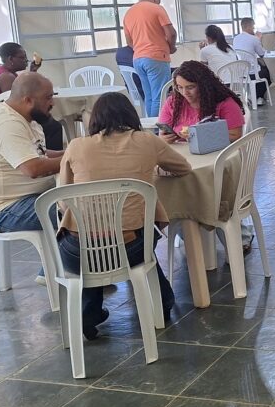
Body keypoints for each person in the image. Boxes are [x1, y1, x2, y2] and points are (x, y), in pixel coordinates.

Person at [57, 92, 189, 339]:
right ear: (130, 115)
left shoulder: (76, 146)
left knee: (91, 242)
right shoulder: (147, 141)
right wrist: (152, 170)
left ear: (94, 118)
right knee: (142, 234)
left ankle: (88, 312)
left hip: (79, 252)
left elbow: (64, 198)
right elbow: (184, 167)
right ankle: (161, 302)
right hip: (131, 248)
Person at [0, 73, 62, 236]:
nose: (52, 103)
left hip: (26, 198)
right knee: (82, 211)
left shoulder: (25, 117)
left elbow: (37, 153)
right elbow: (33, 168)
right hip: (5, 209)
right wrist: (75, 157)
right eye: (48, 98)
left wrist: (73, 151)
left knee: (86, 199)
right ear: (28, 100)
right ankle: (68, 253)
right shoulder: (6, 124)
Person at [0, 42, 63, 150]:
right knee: (53, 126)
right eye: (22, 57)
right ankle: (51, 158)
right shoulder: (6, 77)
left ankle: (46, 154)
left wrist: (33, 71)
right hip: (2, 121)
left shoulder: (2, 71)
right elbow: (19, 104)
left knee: (48, 121)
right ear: (11, 59)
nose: (26, 60)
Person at [158, 61, 246, 143]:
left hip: (214, 151)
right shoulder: (173, 102)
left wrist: (201, 135)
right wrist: (164, 138)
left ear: (203, 86)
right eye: (180, 87)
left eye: (190, 87)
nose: (185, 93)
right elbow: (163, 132)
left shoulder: (225, 103)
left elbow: (235, 135)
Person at [123, 0, 176, 117]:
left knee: (149, 97)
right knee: (160, 96)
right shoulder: (156, 8)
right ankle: (157, 128)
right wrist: (171, 47)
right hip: (156, 57)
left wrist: (141, 49)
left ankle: (151, 126)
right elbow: (171, 33)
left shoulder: (128, 13)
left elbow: (129, 42)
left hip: (138, 59)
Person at [231, 17, 273, 104]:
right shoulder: (254, 39)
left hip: (240, 71)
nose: (254, 28)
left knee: (261, 68)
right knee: (269, 72)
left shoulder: (236, 38)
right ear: (248, 26)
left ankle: (254, 96)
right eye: (253, 26)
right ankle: (258, 96)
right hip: (252, 72)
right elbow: (262, 54)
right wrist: (259, 39)